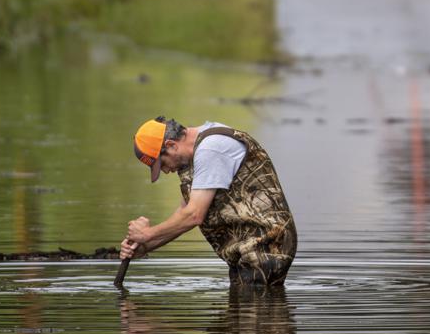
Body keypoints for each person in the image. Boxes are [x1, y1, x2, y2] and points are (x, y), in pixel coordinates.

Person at [120, 116, 297, 285]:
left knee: (252, 306)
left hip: (266, 245)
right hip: (251, 248)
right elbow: (184, 213)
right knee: (246, 308)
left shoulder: (210, 149)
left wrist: (147, 234)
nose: (166, 171)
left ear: (171, 145)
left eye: (162, 163)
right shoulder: (202, 149)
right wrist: (145, 246)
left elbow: (194, 215)